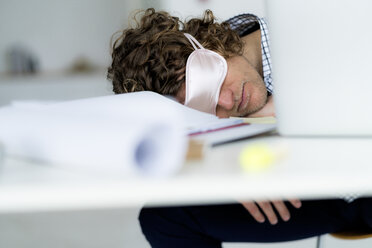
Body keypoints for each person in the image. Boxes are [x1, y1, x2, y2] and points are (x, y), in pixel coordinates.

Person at [107, 8, 372, 248]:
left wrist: (300, 108)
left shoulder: (307, 28)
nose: (226, 102)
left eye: (214, 82)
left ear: (210, 43)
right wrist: (219, 171)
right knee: (163, 217)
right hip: (309, 198)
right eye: (207, 107)